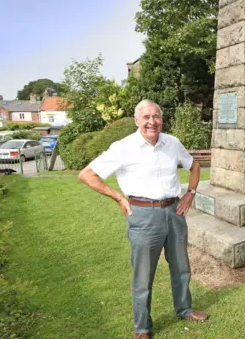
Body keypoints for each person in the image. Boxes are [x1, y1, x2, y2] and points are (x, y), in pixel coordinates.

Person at [78, 100, 209, 339]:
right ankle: (142, 328)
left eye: (156, 116)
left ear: (161, 119)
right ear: (137, 120)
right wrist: (118, 197)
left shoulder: (172, 143)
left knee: (181, 267)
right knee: (143, 274)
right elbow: (87, 175)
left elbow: (195, 166)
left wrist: (189, 194)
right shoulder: (123, 147)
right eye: (146, 117)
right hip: (143, 216)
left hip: (174, 212)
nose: (152, 122)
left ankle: (185, 309)